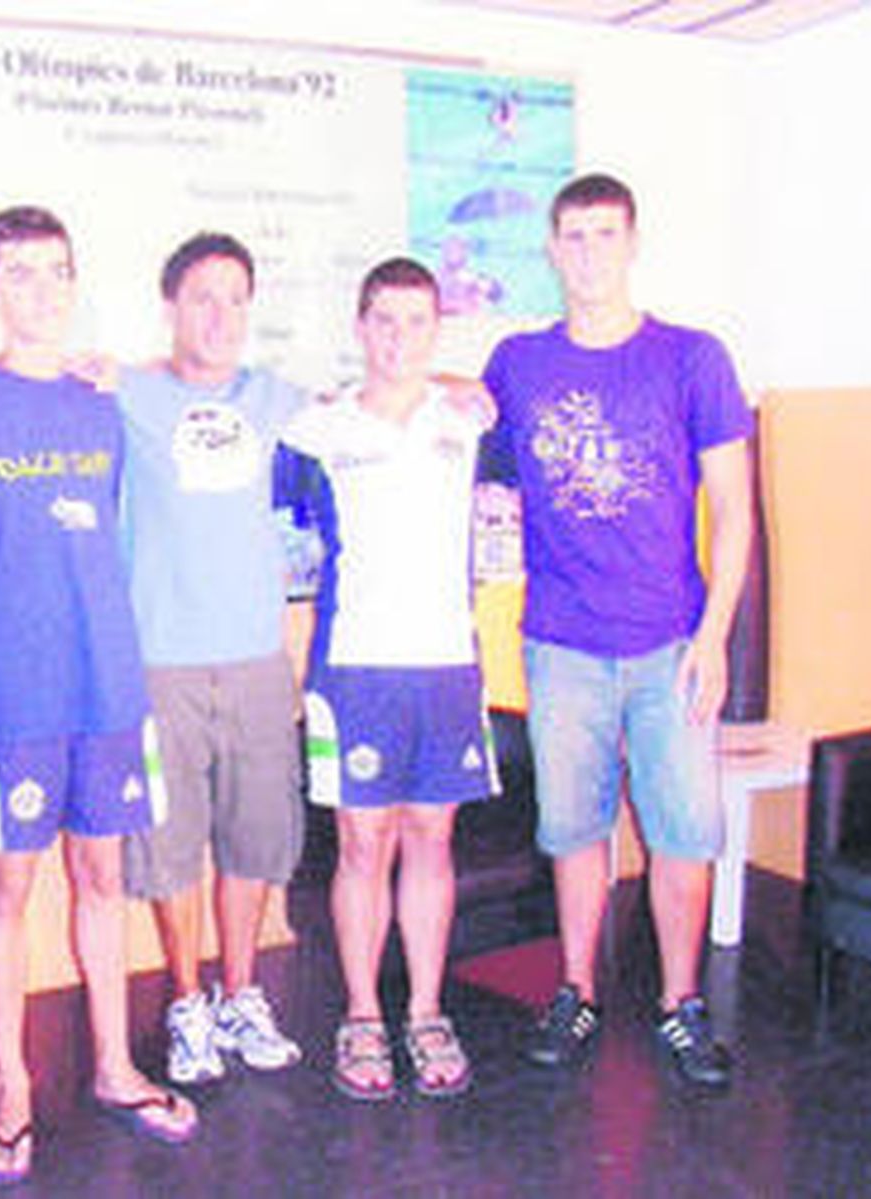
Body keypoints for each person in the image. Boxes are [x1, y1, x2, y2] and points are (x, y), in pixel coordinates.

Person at [0, 206, 198, 1183]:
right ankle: (13, 1085)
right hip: (7, 697)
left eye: (56, 271)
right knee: (8, 887)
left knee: (104, 878)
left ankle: (115, 1065)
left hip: (106, 684)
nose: (41, 290)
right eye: (20, 273)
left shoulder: (99, 398)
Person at [480, 173, 753, 1088]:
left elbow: (736, 513)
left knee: (683, 834)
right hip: (561, 643)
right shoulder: (516, 363)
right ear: (551, 251)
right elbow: (464, 434)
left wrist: (715, 638)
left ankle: (681, 1003)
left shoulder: (693, 357)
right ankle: (577, 987)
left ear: (633, 243)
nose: (590, 251)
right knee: (573, 831)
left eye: (606, 234)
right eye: (573, 236)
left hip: (672, 642)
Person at [280, 258, 497, 1101]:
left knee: (432, 840)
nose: (399, 337)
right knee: (362, 844)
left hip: (447, 666)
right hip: (355, 669)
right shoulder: (316, 431)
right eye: (384, 320)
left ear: (436, 328)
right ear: (360, 327)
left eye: (417, 321)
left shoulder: (472, 421)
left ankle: (429, 1009)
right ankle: (365, 1013)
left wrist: (459, 382)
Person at [114, 233, 308, 1086]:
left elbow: (382, 400)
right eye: (203, 297)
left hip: (259, 658)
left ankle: (241, 992)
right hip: (163, 663)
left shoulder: (277, 397)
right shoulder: (124, 393)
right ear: (170, 307)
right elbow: (25, 377)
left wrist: (463, 389)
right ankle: (188, 1000)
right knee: (169, 845)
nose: (221, 315)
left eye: (236, 298)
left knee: (257, 838)